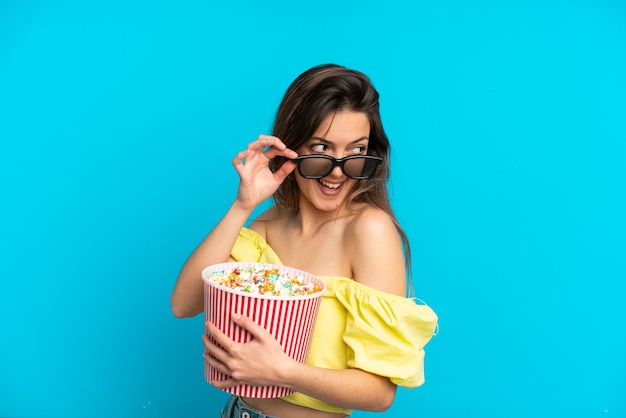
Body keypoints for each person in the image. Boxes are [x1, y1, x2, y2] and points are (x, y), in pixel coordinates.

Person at [171, 64, 438, 418]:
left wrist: (283, 372)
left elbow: (380, 393)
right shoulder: (267, 226)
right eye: (321, 149)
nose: (338, 171)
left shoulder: (369, 231)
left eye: (355, 152)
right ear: (289, 148)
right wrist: (243, 205)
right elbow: (184, 303)